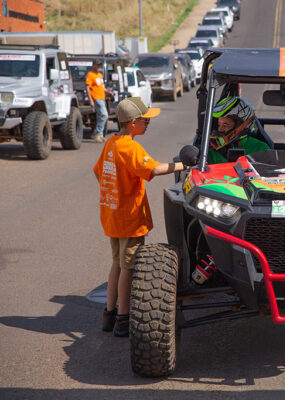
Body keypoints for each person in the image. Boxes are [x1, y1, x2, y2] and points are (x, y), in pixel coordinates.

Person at [93, 97, 184, 337]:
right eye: (145, 120)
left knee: (117, 264)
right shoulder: (130, 148)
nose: (148, 123)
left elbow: (98, 172)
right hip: (129, 219)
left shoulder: (111, 143)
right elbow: (153, 169)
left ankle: (108, 314)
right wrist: (183, 165)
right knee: (129, 268)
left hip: (112, 215)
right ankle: (124, 318)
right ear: (133, 123)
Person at [207, 96, 270, 164]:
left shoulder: (261, 148)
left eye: (226, 125)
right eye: (219, 125)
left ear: (242, 126)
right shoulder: (212, 150)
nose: (220, 129)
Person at [86, 59, 113, 143]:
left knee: (100, 116)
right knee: (104, 116)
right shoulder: (90, 75)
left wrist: (108, 91)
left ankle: (100, 135)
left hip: (102, 98)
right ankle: (96, 132)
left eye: (99, 65)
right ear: (93, 65)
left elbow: (101, 87)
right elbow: (87, 88)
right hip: (96, 98)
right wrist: (91, 100)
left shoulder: (100, 75)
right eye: (97, 65)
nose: (98, 67)